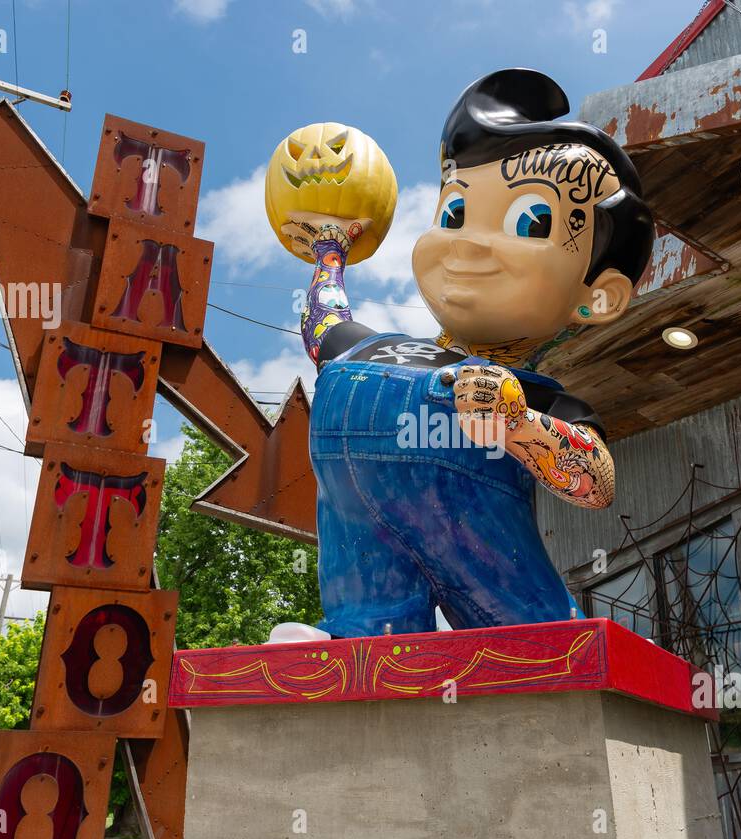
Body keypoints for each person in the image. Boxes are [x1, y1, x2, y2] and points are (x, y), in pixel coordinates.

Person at [271, 68, 653, 640]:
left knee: (533, 639)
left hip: (496, 574)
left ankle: (549, 649)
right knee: (368, 636)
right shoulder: (371, 349)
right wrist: (330, 248)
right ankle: (355, 642)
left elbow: (595, 481)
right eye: (453, 214)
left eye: (530, 221)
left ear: (597, 296)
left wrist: (519, 425)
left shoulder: (536, 394)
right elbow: (324, 324)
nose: (466, 242)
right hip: (365, 565)